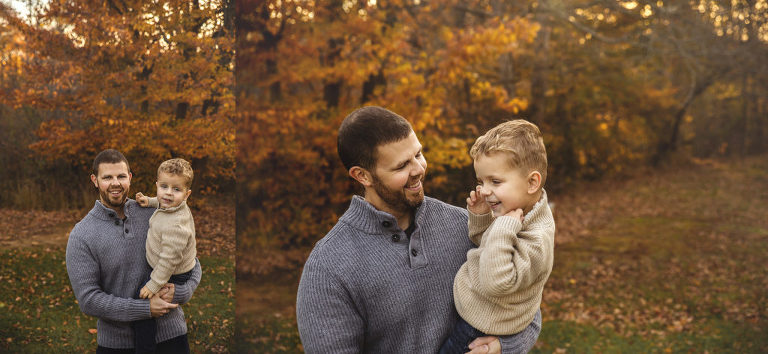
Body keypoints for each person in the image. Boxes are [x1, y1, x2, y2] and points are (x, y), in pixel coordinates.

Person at [296, 106, 504, 353]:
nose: (418, 169)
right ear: (363, 176)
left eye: (418, 154)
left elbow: (524, 305)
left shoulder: (466, 226)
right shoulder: (328, 267)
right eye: (401, 165)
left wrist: (502, 347)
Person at [66, 149, 202, 354]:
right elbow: (89, 300)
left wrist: (181, 291)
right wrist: (145, 309)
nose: (115, 183)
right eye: (107, 177)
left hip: (172, 336)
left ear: (129, 177)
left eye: (121, 176)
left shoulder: (156, 211)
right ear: (95, 180)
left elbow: (192, 261)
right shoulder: (82, 235)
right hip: (117, 345)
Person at [439, 120, 555, 354]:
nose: (484, 190)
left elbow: (496, 282)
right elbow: (487, 245)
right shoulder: (515, 210)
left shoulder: (536, 237)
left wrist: (503, 226)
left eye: (495, 181)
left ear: (532, 182)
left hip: (478, 330)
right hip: (475, 315)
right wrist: (482, 217)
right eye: (481, 181)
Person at [132, 158, 198, 353]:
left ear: (187, 194)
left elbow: (168, 262)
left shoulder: (176, 226)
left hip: (173, 272)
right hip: (167, 266)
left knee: (143, 305)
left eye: (176, 189)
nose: (168, 193)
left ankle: (145, 348)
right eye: (164, 186)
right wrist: (150, 201)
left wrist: (154, 284)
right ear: (157, 185)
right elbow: (162, 201)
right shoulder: (170, 204)